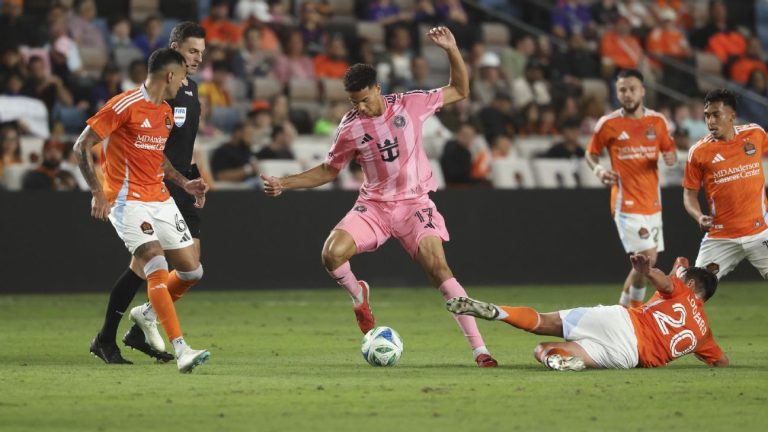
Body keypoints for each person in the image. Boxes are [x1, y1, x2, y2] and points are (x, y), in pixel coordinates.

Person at [261, 27, 498, 367]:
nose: (360, 107)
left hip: (415, 204)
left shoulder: (410, 105)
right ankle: (359, 296)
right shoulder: (350, 128)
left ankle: (480, 349)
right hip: (374, 206)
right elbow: (330, 171)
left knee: (438, 268)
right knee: (331, 254)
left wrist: (451, 49)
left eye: (365, 99)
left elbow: (461, 89)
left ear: (378, 89)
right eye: (353, 101)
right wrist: (285, 183)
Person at [75, 48, 210, 373]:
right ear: (169, 76)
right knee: (155, 262)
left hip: (160, 197)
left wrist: (184, 182)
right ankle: (182, 349)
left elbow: (158, 159)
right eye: (181, 78)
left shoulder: (164, 111)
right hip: (126, 200)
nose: (183, 84)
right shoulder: (124, 105)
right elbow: (82, 145)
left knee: (193, 270)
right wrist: (96, 191)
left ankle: (144, 315)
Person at [447, 255, 728, 371]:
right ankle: (561, 360)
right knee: (543, 349)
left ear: (689, 283)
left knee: (542, 323)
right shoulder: (704, 335)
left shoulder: (679, 288)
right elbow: (721, 363)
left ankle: (495, 311)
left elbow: (668, 280)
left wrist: (648, 272)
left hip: (622, 322)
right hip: (629, 357)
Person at [585, 69, 677, 308]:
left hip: (653, 203)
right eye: (622, 90)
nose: (627, 94)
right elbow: (590, 154)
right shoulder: (608, 124)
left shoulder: (657, 121)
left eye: (632, 88)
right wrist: (599, 171)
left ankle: (625, 313)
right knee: (648, 258)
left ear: (643, 91)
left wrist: (670, 157)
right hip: (625, 202)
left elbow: (670, 150)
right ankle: (630, 315)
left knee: (641, 265)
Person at [683, 89, 768, 280]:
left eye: (716, 115)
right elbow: (689, 195)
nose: (710, 121)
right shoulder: (698, 152)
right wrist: (699, 216)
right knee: (693, 290)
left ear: (732, 116)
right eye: (707, 116)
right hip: (721, 236)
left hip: (761, 231)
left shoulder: (755, 134)